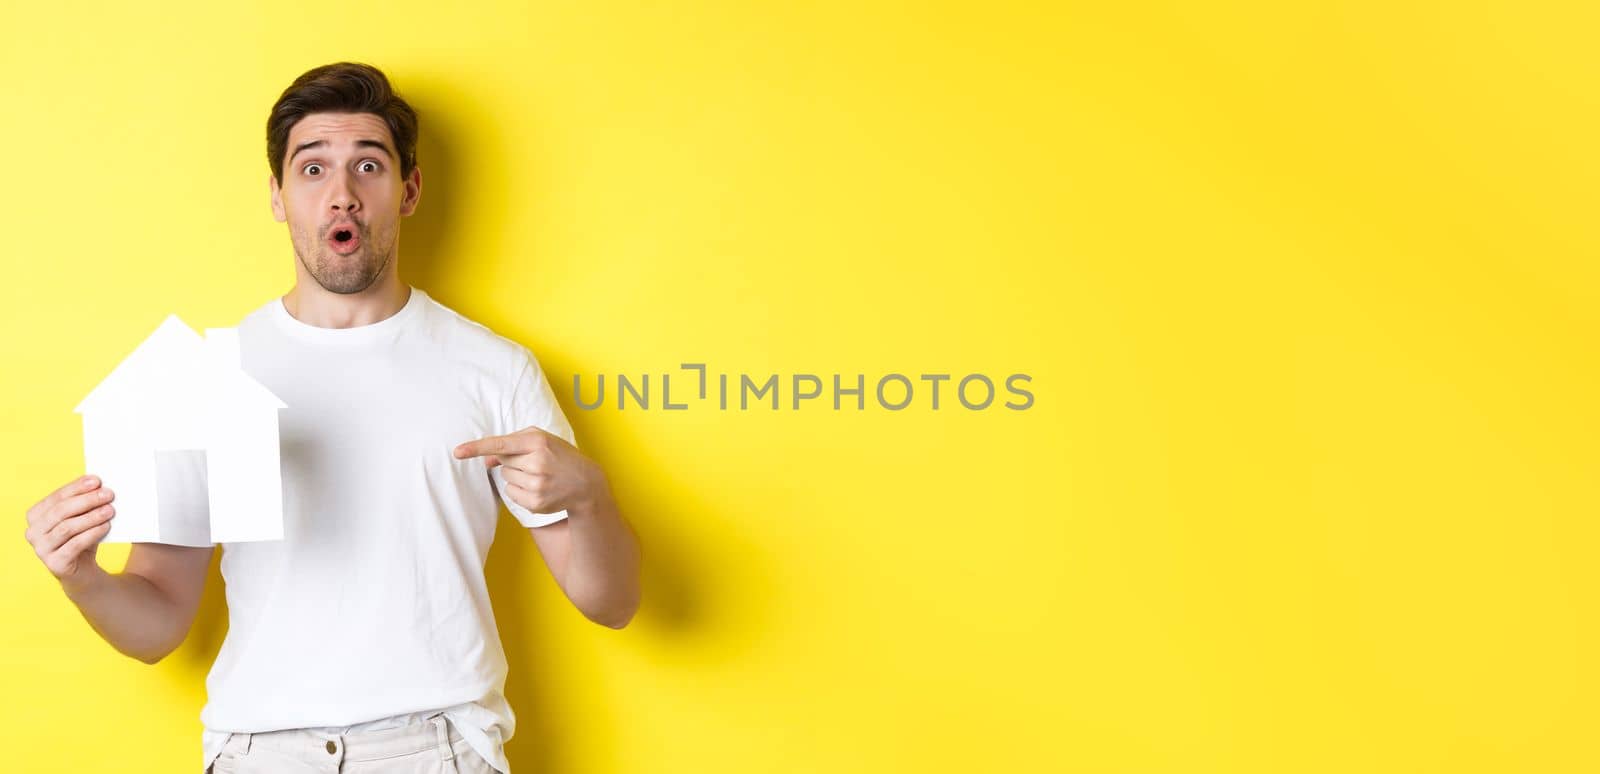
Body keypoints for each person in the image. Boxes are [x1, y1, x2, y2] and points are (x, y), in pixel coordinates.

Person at [21, 61, 643, 773]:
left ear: (407, 191)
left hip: (439, 748)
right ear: (279, 198)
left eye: (368, 166)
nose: (341, 196)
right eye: (312, 171)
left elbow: (612, 602)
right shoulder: (209, 378)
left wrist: (589, 495)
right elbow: (157, 620)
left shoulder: (495, 369)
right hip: (260, 752)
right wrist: (82, 577)